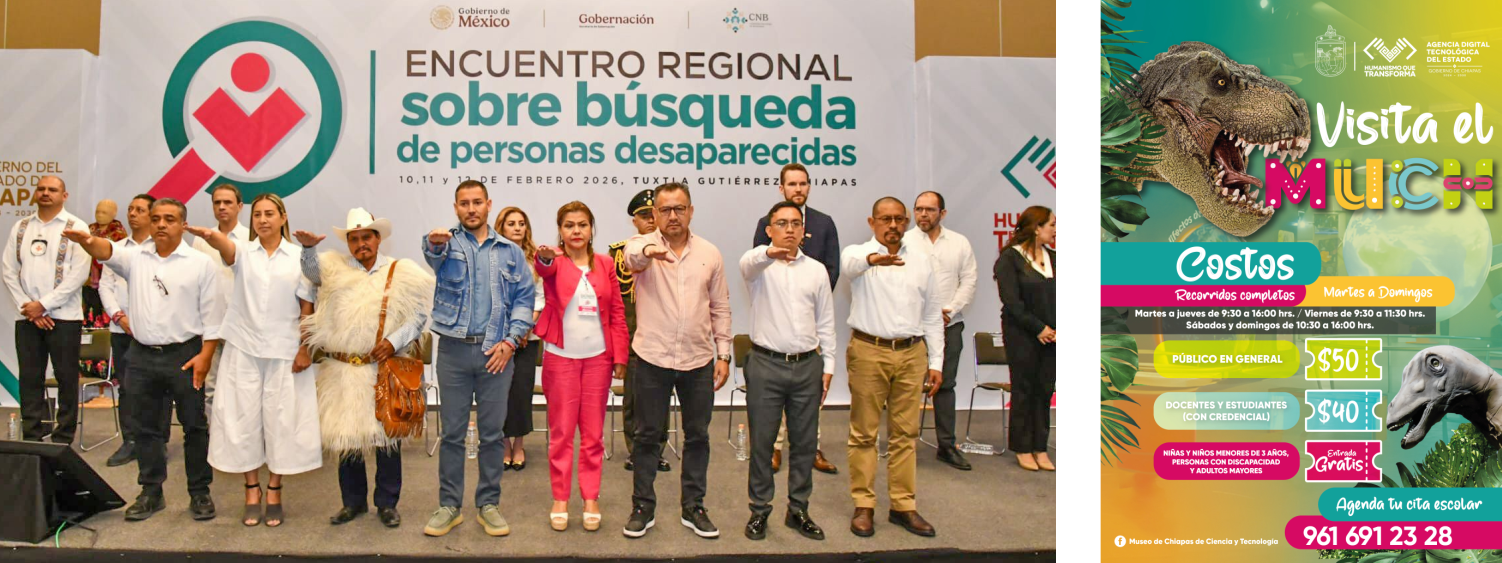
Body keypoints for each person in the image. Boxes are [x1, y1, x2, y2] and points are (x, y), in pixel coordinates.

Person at [64, 198, 223, 522]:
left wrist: (205, 356)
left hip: (185, 355)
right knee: (145, 428)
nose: (161, 224)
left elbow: (213, 315)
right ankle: (151, 492)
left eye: (170, 219)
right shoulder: (135, 257)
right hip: (141, 355)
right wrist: (87, 240)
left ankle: (199, 492)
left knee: (194, 426)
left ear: (183, 225)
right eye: (157, 219)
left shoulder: (200, 263)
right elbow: (105, 250)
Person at [295, 208, 434, 529]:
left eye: (366, 237)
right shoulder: (334, 271)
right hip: (342, 370)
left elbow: (417, 317)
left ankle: (387, 503)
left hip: (383, 368)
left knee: (387, 441)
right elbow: (312, 273)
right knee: (346, 439)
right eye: (354, 239)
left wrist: (393, 341)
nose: (361, 244)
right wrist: (308, 249)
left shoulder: (401, 271)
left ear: (378, 238)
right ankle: (352, 502)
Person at [190, 194, 320, 527]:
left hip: (285, 351)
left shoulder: (298, 256)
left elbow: (307, 307)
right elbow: (225, 247)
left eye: (269, 214)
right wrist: (211, 236)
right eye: (257, 214)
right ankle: (251, 489)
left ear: (283, 217)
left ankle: (274, 488)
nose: (262, 220)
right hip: (243, 348)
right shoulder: (243, 252)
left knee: (282, 421)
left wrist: (305, 348)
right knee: (242, 419)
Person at [420, 180, 535, 538]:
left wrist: (511, 342)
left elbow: (524, 300)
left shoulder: (511, 252)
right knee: (452, 434)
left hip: (496, 354)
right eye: (464, 203)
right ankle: (449, 506)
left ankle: (489, 504)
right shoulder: (445, 243)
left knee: (492, 434)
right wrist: (433, 242)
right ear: (456, 207)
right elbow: (431, 254)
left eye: (477, 202)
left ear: (488, 204)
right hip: (453, 351)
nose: (471, 209)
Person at [620, 183, 732, 539]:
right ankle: (643, 506)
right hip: (652, 358)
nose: (672, 216)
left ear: (690, 211)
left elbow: (720, 306)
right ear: (654, 214)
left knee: (697, 436)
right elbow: (632, 257)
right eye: (665, 210)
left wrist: (724, 353)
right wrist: (650, 249)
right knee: (647, 436)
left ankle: (693, 507)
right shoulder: (641, 245)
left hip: (698, 360)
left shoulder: (710, 253)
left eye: (679, 209)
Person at [841, 196, 943, 538]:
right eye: (885, 219)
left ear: (907, 222)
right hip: (869, 351)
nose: (893, 225)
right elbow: (849, 267)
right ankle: (864, 505)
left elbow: (932, 314)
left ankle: (903, 505)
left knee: (906, 434)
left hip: (912, 353)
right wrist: (874, 259)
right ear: (872, 222)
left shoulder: (922, 260)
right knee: (864, 433)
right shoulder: (858, 254)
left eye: (899, 219)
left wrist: (936, 361)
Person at [740, 201, 835, 541]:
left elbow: (826, 320)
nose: (790, 229)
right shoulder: (759, 266)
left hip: (808, 365)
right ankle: (759, 510)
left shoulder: (817, 270)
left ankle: (798, 509)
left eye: (796, 223)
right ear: (769, 230)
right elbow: (747, 262)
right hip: (765, 364)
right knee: (763, 443)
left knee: (805, 444)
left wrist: (829, 364)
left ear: (803, 230)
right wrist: (770, 252)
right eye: (782, 223)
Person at [532, 201, 628, 532]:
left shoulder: (605, 264)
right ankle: (560, 498)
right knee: (561, 433)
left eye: (582, 224)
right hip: (561, 359)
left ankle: (590, 497)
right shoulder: (554, 262)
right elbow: (544, 268)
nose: (576, 230)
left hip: (598, 359)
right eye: (569, 225)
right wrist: (545, 258)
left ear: (591, 229)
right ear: (560, 230)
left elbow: (617, 311)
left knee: (593, 434)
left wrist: (620, 356)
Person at [751, 163, 839, 475]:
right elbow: (756, 265)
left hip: (810, 315)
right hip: (776, 321)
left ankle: (812, 447)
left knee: (809, 393)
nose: (798, 189)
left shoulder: (824, 222)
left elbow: (832, 268)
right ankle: (775, 447)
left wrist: (810, 300)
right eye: (792, 184)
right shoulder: (766, 222)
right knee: (774, 395)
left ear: (809, 186)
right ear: (782, 188)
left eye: (803, 183)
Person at [3, 175, 90, 444]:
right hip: (28, 318)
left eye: (52, 189)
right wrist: (30, 308)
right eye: (41, 189)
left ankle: (63, 438)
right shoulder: (21, 226)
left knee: (66, 378)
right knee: (30, 378)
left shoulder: (76, 226)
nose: (45, 193)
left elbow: (79, 275)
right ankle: (32, 436)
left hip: (64, 318)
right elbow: (8, 270)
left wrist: (44, 305)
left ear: (64, 196)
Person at [903, 191, 977, 471]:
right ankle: (903, 445)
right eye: (919, 209)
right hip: (912, 326)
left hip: (949, 324)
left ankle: (947, 446)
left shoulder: (959, 242)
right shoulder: (904, 242)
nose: (923, 214)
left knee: (945, 385)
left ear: (942, 213)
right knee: (906, 387)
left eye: (930, 210)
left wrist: (950, 310)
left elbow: (969, 280)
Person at [99, 194, 165, 467]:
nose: (133, 214)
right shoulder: (116, 249)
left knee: (158, 388)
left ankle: (158, 442)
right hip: (122, 330)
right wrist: (119, 317)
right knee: (127, 388)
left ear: (152, 215)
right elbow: (105, 286)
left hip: (154, 331)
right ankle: (130, 441)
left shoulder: (162, 247)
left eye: (140, 210)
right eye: (130, 209)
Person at [607, 189, 670, 473]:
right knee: (633, 399)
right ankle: (635, 451)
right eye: (644, 216)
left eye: (653, 214)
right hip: (633, 338)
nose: (650, 220)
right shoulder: (619, 253)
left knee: (660, 399)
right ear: (634, 221)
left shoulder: (673, 249)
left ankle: (657, 450)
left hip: (663, 336)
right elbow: (612, 302)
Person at [994, 206, 1056, 472]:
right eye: (1052, 224)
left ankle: (1040, 447)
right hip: (1022, 334)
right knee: (1024, 389)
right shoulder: (1010, 258)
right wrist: (1039, 328)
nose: (1055, 230)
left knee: (1044, 390)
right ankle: (1022, 447)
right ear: (1036, 228)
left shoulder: (1054, 258)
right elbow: (1012, 302)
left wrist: (1055, 330)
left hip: (1053, 337)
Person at [190, 184, 250, 411]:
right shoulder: (201, 239)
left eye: (228, 202)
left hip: (242, 324)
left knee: (242, 387)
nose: (222, 207)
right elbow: (194, 281)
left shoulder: (251, 238)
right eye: (217, 203)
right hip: (209, 325)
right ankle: (213, 434)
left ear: (240, 206)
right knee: (210, 388)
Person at [495, 207, 545, 472]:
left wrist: (524, 329)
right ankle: (504, 443)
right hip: (498, 338)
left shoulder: (535, 260)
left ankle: (519, 444)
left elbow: (540, 298)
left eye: (521, 223)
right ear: (501, 227)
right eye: (511, 223)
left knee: (522, 392)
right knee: (501, 392)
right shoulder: (491, 256)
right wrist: (508, 333)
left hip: (528, 338)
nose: (517, 227)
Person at [84, 199, 125, 331]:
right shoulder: (89, 229)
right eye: (98, 212)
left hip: (107, 275)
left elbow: (117, 257)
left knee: (105, 299)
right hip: (88, 275)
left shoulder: (118, 233)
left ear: (114, 214)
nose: (100, 215)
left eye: (104, 212)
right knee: (89, 301)